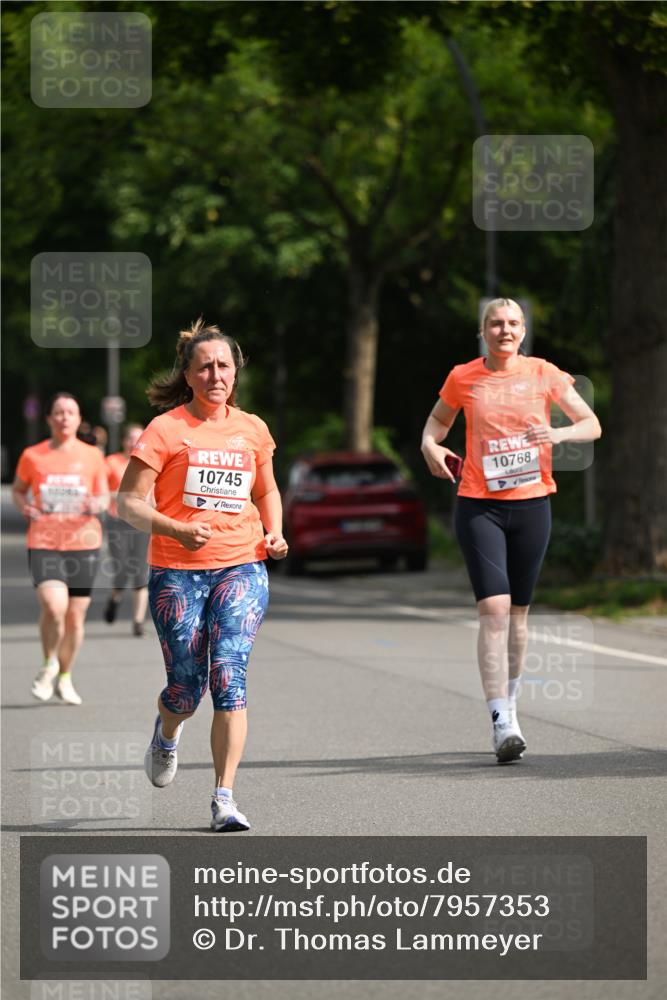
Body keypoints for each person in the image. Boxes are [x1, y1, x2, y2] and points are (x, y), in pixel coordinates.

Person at [117, 319, 288, 831]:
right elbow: (126, 503)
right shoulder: (166, 430)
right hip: (178, 570)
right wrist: (175, 527)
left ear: (236, 373)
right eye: (205, 366)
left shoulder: (253, 429)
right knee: (186, 689)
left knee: (228, 678)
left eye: (224, 366)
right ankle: (167, 732)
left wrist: (275, 533)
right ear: (188, 376)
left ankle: (224, 798)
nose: (216, 374)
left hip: (241, 563)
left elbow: (267, 492)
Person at [421, 298, 601, 763]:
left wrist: (557, 435)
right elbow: (436, 425)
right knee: (495, 609)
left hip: (532, 504)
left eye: (514, 323)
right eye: (496, 323)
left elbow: (592, 424)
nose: (505, 330)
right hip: (479, 504)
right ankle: (501, 719)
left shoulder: (544, 373)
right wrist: (430, 449)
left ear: (523, 331)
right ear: (483, 331)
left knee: (518, 614)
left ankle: (512, 704)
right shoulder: (464, 376)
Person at [12, 392, 109, 705]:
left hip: (84, 542)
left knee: (75, 618)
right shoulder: (33, 455)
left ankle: (65, 677)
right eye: (59, 412)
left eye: (71, 412)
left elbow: (104, 497)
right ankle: (48, 664)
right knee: (55, 608)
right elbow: (18, 490)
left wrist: (97, 503)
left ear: (79, 419)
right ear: (49, 419)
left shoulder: (93, 455)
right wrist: (24, 507)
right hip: (44, 541)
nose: (65, 417)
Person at [104, 424, 150, 636]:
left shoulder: (148, 462)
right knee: (122, 568)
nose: (134, 442)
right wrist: (124, 497)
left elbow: (154, 493)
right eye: (130, 438)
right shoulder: (111, 462)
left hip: (142, 523)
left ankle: (138, 621)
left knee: (140, 571)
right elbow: (101, 491)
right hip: (117, 522)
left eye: (138, 438)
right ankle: (115, 599)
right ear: (124, 441)